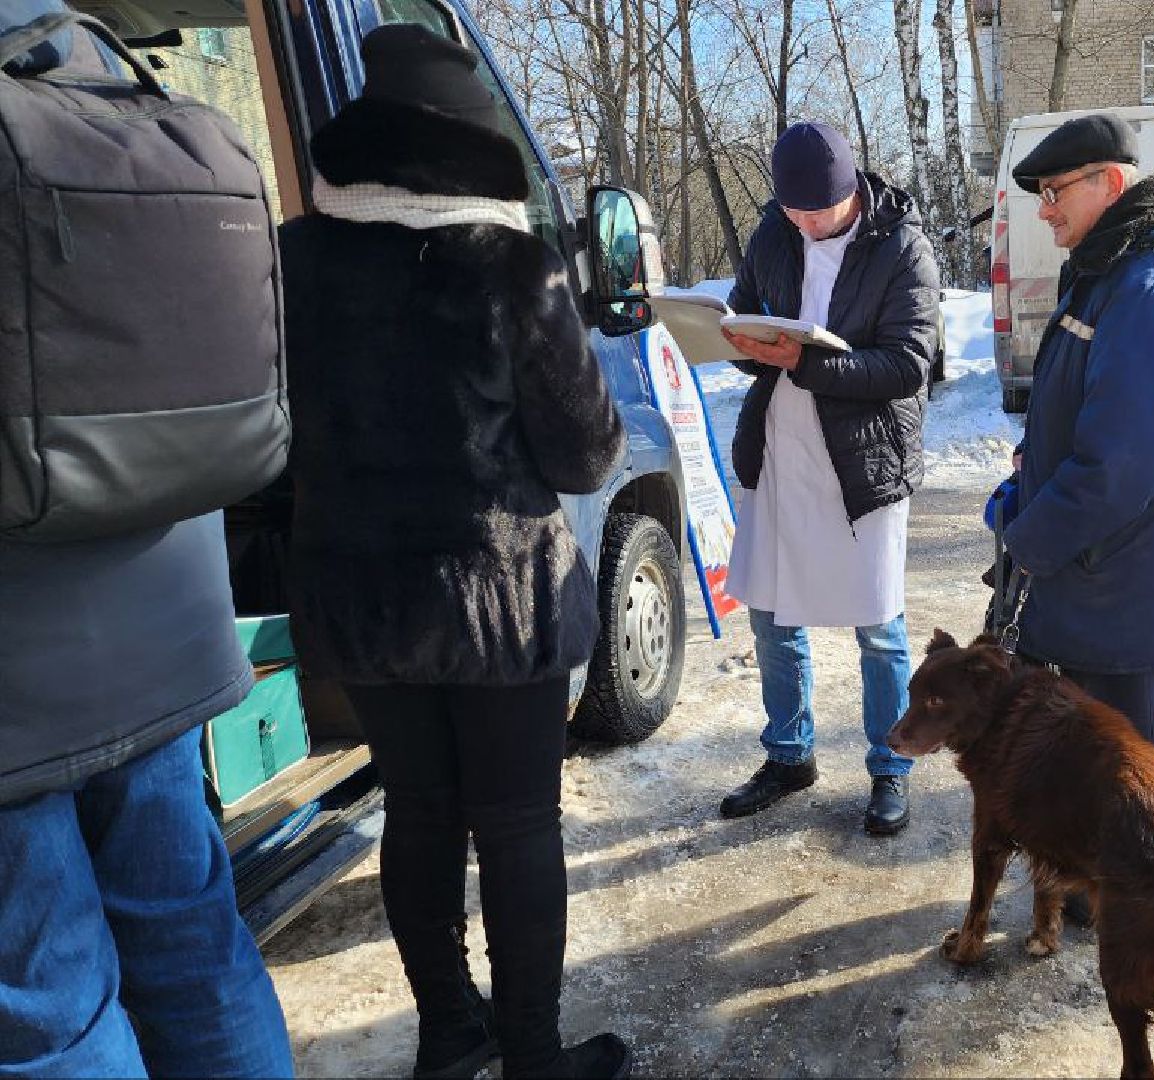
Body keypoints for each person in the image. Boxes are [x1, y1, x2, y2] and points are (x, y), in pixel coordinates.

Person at [278, 25, 629, 1079]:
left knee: (419, 812)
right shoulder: (510, 264)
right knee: (519, 823)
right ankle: (531, 1054)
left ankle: (448, 1033)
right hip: (498, 600)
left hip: (362, 598)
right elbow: (585, 453)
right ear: (473, 144)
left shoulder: (293, 256)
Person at [0, 2, 296, 1074]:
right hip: (166, 620)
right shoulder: (109, 80)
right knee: (196, 947)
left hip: (16, 683)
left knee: (51, 1008)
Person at [996, 113, 1154, 774]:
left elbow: (1123, 465)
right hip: (1106, 580)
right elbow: (1099, 418)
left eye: (1053, 191)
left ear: (1107, 182)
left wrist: (1030, 539)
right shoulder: (1114, 273)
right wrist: (1034, 465)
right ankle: (1091, 882)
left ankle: (1131, 884)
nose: (1043, 212)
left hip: (1124, 589)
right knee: (1090, 783)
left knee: (1127, 789)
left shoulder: (1149, 289)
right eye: (1038, 195)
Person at [716, 120, 939, 836]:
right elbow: (747, 320)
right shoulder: (772, 235)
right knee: (772, 613)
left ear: (852, 191)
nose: (806, 223)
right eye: (792, 209)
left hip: (862, 459)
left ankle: (889, 766)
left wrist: (801, 363)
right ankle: (788, 755)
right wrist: (742, 346)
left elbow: (908, 365)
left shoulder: (900, 245)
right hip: (779, 449)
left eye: (820, 211)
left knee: (876, 624)